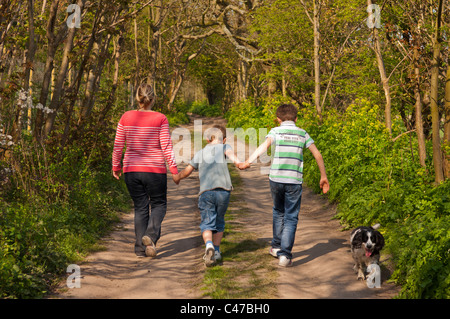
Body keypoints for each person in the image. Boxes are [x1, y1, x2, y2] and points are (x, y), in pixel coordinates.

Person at [238, 103, 329, 267]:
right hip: (294, 181)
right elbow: (317, 154)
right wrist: (323, 176)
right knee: (291, 217)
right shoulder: (303, 133)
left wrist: (247, 162)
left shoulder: (275, 131)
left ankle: (276, 246)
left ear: (277, 119)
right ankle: (285, 255)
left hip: (276, 179)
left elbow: (262, 148)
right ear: (296, 118)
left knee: (278, 211)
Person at [112, 83, 179, 258]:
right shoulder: (160, 118)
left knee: (140, 207)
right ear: (153, 98)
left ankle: (140, 249)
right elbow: (166, 145)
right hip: (154, 170)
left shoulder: (126, 117)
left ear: (137, 98)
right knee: (159, 204)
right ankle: (150, 235)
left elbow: (118, 145)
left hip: (131, 170)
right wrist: (173, 168)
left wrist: (115, 166)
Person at [173, 125, 240, 266]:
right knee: (220, 220)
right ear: (224, 139)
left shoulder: (200, 153)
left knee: (207, 222)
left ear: (208, 139)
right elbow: (233, 157)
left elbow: (187, 171)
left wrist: (178, 177)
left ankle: (208, 245)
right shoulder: (224, 147)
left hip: (206, 192)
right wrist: (240, 163)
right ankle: (216, 250)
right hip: (224, 191)